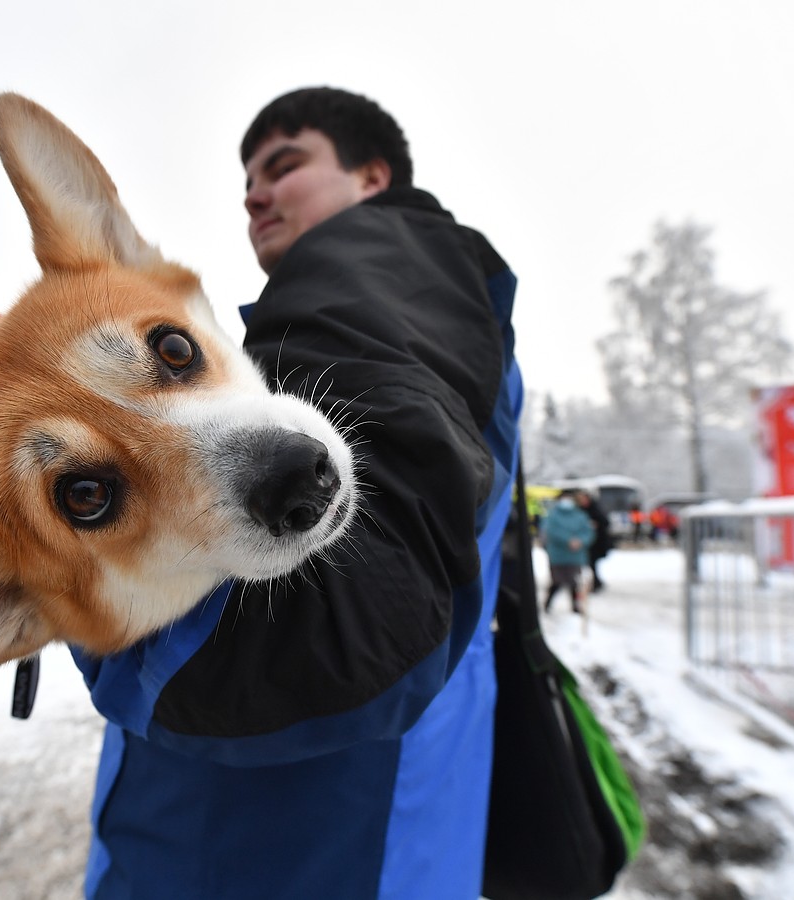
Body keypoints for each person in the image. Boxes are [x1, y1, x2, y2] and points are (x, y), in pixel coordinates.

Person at [68, 86, 521, 899]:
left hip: (277, 853)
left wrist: (49, 523)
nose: (255, 193)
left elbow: (343, 630)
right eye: (247, 181)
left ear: (372, 177)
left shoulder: (370, 266)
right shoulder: (417, 306)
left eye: (285, 165)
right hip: (371, 836)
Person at [541, 489, 595, 613]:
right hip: (557, 555)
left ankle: (575, 606)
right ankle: (548, 603)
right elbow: (551, 532)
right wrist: (568, 541)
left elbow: (588, 532)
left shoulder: (580, 515)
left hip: (576, 556)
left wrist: (581, 541)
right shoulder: (553, 515)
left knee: (575, 583)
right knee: (557, 581)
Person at [576, 489, 612, 591]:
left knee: (592, 564)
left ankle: (596, 583)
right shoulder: (579, 510)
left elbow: (605, 522)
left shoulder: (595, 509)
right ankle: (595, 582)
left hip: (596, 543)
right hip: (586, 543)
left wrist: (595, 525)